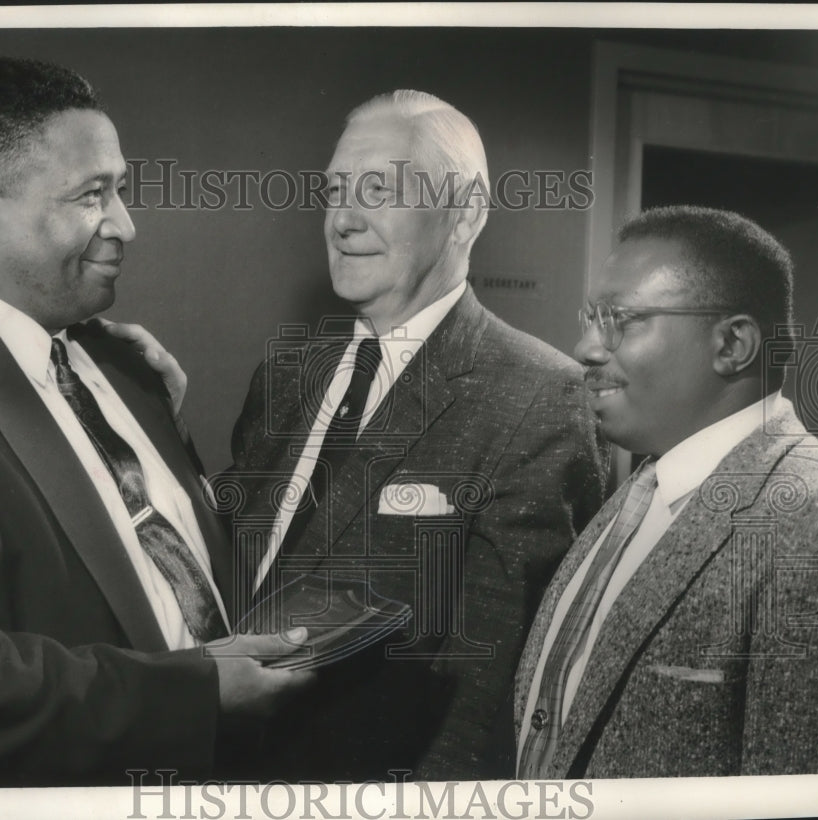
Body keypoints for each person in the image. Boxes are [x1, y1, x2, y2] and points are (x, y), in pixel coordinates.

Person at [0, 57, 311, 788]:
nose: (126, 226)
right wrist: (195, 695)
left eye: (122, 191)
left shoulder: (129, 365)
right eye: (91, 196)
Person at [224, 90, 605, 780]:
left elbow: (490, 689)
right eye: (335, 190)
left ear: (465, 215)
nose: (343, 219)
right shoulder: (284, 375)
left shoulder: (538, 396)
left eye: (379, 190)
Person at [512, 205, 818, 778]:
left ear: (732, 344)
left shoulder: (814, 524)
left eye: (622, 320)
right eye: (590, 317)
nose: (585, 347)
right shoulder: (643, 486)